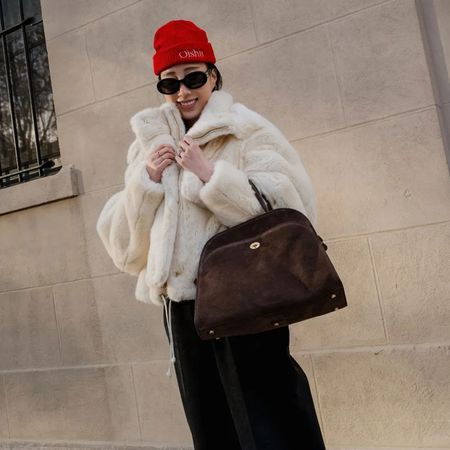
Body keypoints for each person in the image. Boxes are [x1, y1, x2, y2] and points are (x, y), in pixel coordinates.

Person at [97, 19, 326, 450]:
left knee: (270, 420)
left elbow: (292, 208)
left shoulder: (246, 129)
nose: (183, 92)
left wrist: (210, 176)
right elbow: (124, 248)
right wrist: (145, 182)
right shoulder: (147, 144)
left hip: (247, 298)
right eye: (170, 84)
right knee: (211, 427)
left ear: (214, 75)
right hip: (183, 311)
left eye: (194, 78)